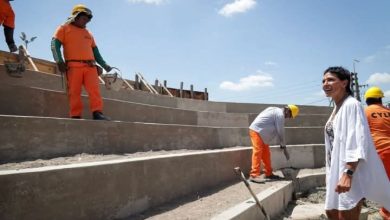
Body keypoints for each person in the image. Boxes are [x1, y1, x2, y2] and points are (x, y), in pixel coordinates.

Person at [322, 66, 390, 220]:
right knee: (331, 211)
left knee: (345, 212)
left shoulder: (352, 105)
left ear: (344, 83)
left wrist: (348, 173)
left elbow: (357, 139)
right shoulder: (338, 107)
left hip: (350, 168)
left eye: (331, 79)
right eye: (324, 80)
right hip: (338, 168)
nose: (325, 83)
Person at [51, 4, 112, 120]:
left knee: (94, 91)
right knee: (74, 92)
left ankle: (97, 113)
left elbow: (96, 52)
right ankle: (75, 115)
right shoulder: (63, 29)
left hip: (90, 67)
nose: (86, 22)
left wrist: (104, 64)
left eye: (88, 20)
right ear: (76, 16)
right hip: (73, 67)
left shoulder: (89, 34)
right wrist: (59, 61)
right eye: (84, 19)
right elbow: (55, 45)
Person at [248, 104, 299, 183]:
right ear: (288, 111)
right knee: (257, 152)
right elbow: (280, 131)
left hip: (262, 134)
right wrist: (284, 147)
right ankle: (254, 175)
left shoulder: (276, 110)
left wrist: (282, 144)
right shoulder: (280, 114)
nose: (288, 118)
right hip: (257, 131)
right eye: (290, 116)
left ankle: (268, 173)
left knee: (266, 154)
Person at [364, 86, 390, 219]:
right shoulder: (388, 111)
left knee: (385, 184)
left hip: (381, 152)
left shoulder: (365, 112)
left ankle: (387, 213)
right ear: (380, 98)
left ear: (367, 100)